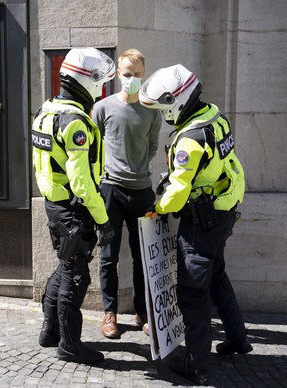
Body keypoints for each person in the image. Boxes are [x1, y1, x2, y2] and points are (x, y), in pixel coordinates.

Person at [139, 64, 252, 385]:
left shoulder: (190, 140)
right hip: (224, 210)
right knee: (217, 276)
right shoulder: (214, 116)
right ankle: (238, 339)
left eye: (163, 110)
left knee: (192, 295)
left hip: (201, 222)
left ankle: (197, 365)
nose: (164, 117)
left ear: (176, 102)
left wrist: (156, 208)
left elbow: (177, 191)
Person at [32, 47, 116, 365]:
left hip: (55, 204)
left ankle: (49, 331)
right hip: (74, 207)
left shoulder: (47, 110)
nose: (103, 88)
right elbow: (83, 182)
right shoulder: (76, 122)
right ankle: (69, 345)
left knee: (63, 267)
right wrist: (103, 220)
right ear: (87, 80)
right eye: (101, 82)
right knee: (75, 275)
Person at [91, 49, 162, 339]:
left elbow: (154, 146)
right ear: (118, 74)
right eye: (127, 74)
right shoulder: (103, 108)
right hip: (110, 190)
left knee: (141, 257)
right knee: (108, 256)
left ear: (143, 76)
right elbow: (93, 148)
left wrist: (138, 166)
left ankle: (141, 312)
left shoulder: (152, 111)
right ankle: (109, 313)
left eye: (136, 75)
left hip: (142, 191)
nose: (131, 79)